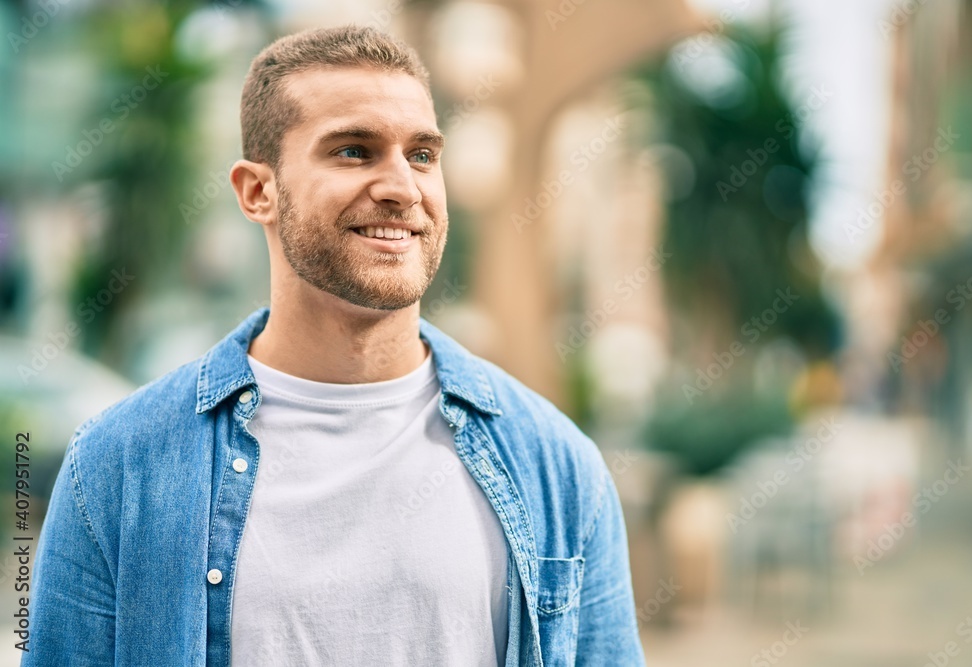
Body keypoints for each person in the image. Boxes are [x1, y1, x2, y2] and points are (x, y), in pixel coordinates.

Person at [25, 25, 644, 666]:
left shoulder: (556, 465)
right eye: (354, 151)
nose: (403, 187)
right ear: (257, 191)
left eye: (423, 155)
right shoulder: (120, 466)